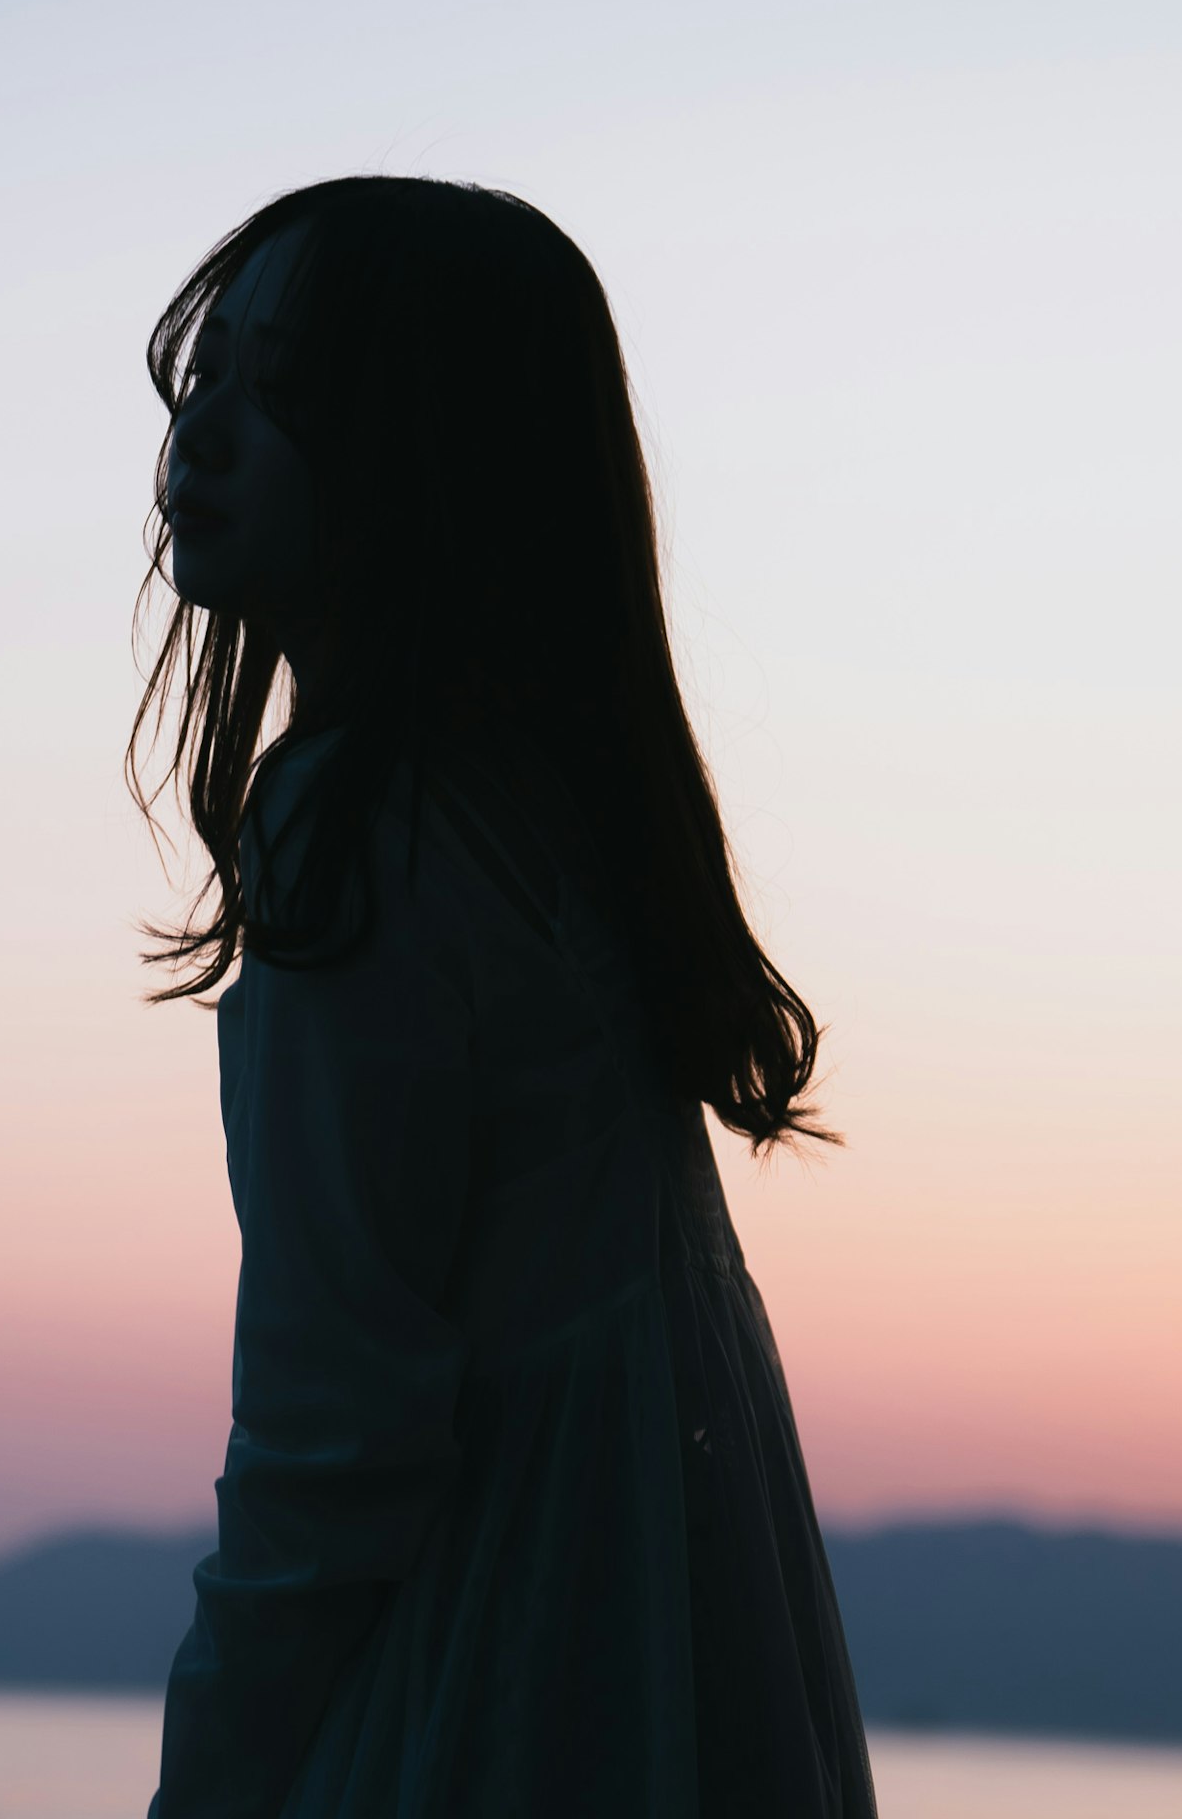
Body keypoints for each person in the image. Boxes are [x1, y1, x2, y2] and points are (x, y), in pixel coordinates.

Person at [137, 177, 875, 1819]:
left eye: (289, 390)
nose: (206, 435)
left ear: (432, 467)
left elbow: (329, 1445)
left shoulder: (355, 835)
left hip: (487, 1684)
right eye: (208, 375)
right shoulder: (549, 815)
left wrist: (207, 1787)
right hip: (656, 1653)